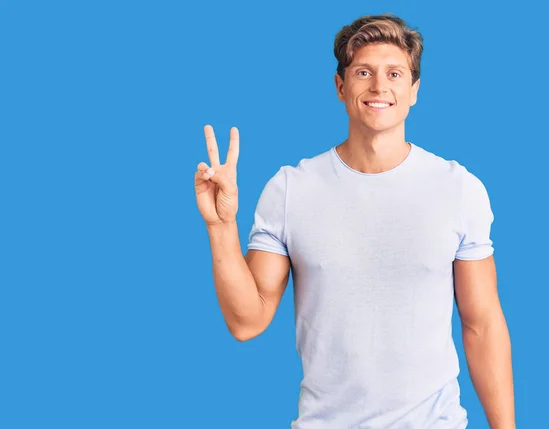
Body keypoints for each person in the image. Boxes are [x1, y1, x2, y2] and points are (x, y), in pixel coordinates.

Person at [195, 13, 515, 429]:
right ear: (340, 87)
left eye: (394, 73)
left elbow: (482, 324)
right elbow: (246, 321)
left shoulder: (457, 188)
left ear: (414, 90)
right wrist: (221, 226)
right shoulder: (292, 189)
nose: (380, 86)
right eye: (364, 72)